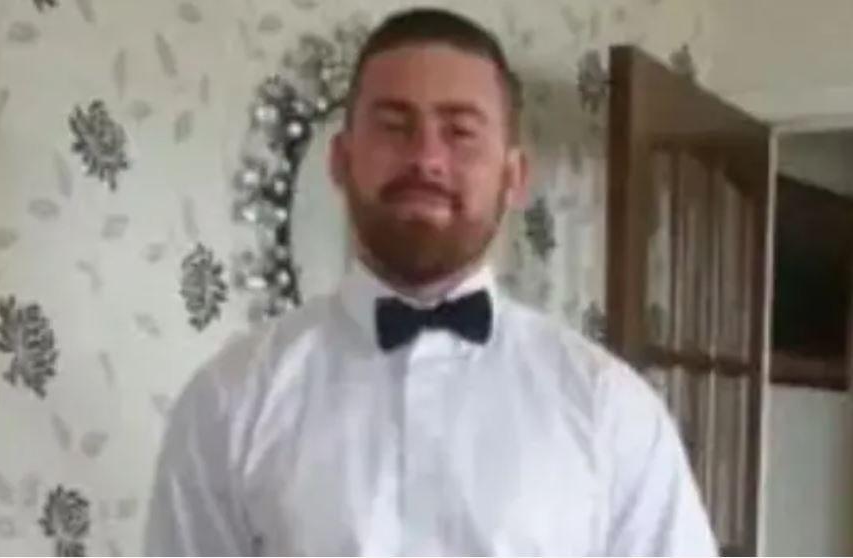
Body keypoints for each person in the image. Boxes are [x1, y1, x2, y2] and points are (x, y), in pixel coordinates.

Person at [144, 7, 716, 556]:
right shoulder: (229, 402)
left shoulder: (612, 412)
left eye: (460, 132)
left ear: (513, 177)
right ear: (341, 161)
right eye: (395, 127)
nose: (427, 159)